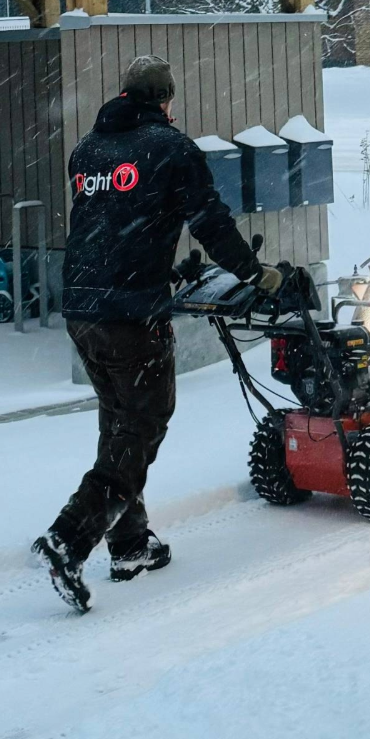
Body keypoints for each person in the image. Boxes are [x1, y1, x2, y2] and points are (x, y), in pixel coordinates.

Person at [32, 55, 282, 613]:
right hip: (130, 314)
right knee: (145, 422)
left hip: (81, 308)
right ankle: (69, 539)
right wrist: (254, 273)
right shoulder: (172, 148)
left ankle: (129, 543)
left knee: (120, 421)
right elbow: (209, 220)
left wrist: (158, 265)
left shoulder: (88, 150)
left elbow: (109, 222)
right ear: (165, 100)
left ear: (125, 96)